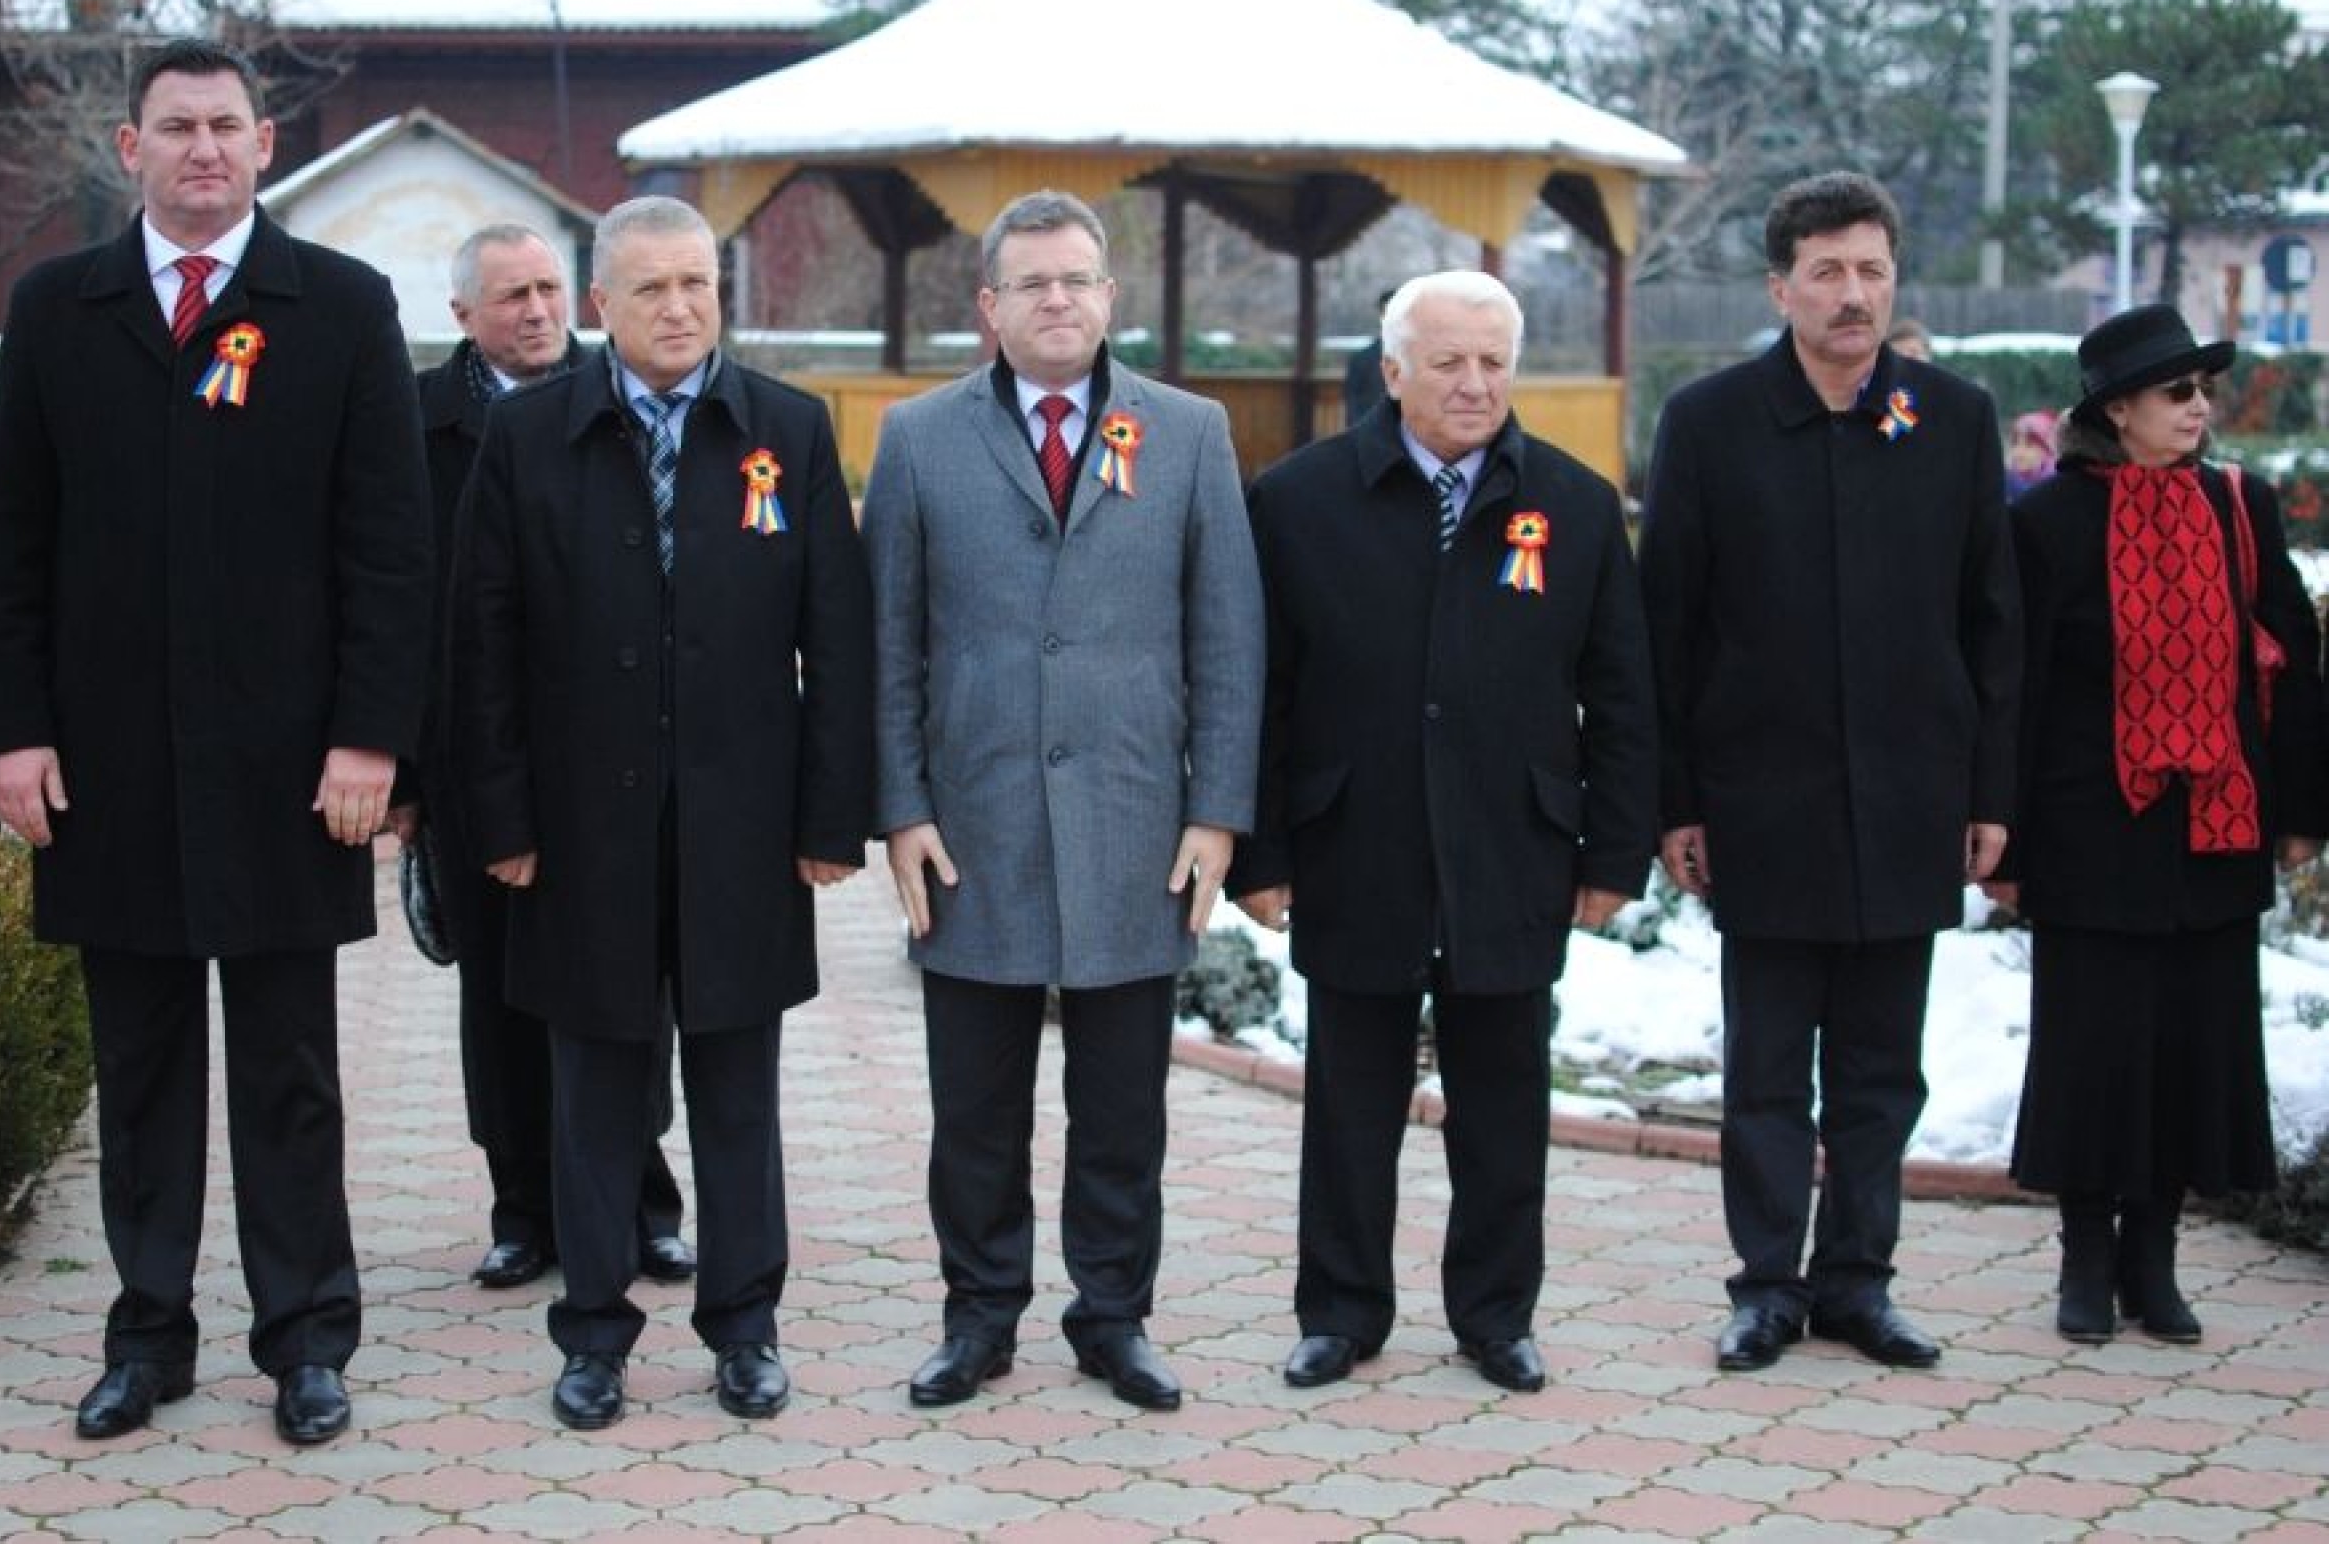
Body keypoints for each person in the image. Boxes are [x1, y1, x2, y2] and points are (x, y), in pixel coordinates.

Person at [0, 38, 433, 1445]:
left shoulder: (341, 309)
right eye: (178, 127)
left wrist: (370, 743)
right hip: (111, 771)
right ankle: (147, 1336)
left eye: (228, 124)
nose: (205, 148)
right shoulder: (58, 310)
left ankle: (305, 1339)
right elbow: (14, 550)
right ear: (131, 147)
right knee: (144, 1070)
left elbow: (390, 555)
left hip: (292, 774)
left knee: (288, 1072)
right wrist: (12, 735)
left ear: (267, 146)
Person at [450, 195, 873, 1429]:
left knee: (738, 1092)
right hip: (581, 835)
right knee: (593, 1095)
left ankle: (745, 1327)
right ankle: (593, 1335)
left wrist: (825, 819)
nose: (679, 308)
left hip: (743, 835)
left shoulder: (783, 430)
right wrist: (505, 821)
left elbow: (832, 636)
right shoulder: (531, 437)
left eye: (697, 283)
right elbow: (483, 641)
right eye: (650, 289)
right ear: (601, 307)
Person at [862, 189, 1263, 1413]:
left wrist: (1216, 812)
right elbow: (889, 645)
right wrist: (901, 808)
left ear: (1109, 296)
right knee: (974, 1111)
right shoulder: (920, 439)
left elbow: (1228, 638)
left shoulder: (1188, 433)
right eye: (1032, 282)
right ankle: (979, 1317)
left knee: (1120, 1109)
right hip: (971, 829)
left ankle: (1113, 1317)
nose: (1057, 300)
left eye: (1078, 279)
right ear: (988, 305)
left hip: (1138, 828)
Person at [1231, 271, 1656, 1394]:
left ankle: (1495, 1315)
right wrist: (1262, 853)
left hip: (1512, 847)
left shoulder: (1573, 502)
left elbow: (1621, 695)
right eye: (1450, 362)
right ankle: (1340, 1311)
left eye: (1494, 363)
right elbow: (1259, 691)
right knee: (1350, 1105)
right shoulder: (1299, 499)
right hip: (1353, 843)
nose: (1475, 385)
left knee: (1506, 1105)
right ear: (1393, 371)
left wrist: (1615, 854)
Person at [1639, 171, 2021, 1374]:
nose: (1853, 295)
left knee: (1878, 1073)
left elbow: (1991, 621)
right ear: (1781, 286)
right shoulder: (1710, 422)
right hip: (1762, 806)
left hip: (1911, 801)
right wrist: (1676, 802)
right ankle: (1766, 1286)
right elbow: (1669, 631)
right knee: (1763, 1070)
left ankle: (1859, 1280)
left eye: (1872, 270)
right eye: (1828, 272)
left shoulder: (1953, 419)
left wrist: (1990, 795)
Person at [1991, 304, 2325, 1344]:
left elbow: (2292, 657)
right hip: (2090, 827)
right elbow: (2018, 685)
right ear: (2118, 410)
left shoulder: (2242, 504)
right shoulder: (2048, 522)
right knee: (2096, 1049)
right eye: (2176, 392)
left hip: (2214, 826)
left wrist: (2303, 811)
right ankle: (2086, 1261)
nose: (2198, 408)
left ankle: (2158, 1261)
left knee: (2191, 1047)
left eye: (2203, 391)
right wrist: (2000, 831)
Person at [409, 223, 691, 1293]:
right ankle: (523, 1207)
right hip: (476, 760)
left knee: (632, 990)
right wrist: (401, 778)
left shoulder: (626, 402)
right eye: (508, 296)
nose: (533, 311)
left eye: (545, 290)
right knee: (503, 994)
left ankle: (643, 1204)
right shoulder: (418, 424)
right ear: (462, 318)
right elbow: (394, 600)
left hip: (615, 762)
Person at [1342, 287, 1396, 426]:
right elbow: (1353, 404)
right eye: (1387, 312)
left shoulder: (1422, 358)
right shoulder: (1361, 359)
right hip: (1371, 432)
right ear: (1381, 315)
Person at [2005, 408, 2059, 502]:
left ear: (2047, 451)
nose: (2019, 452)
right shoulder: (2004, 483)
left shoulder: (2058, 487)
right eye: (2015, 443)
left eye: (2029, 445)